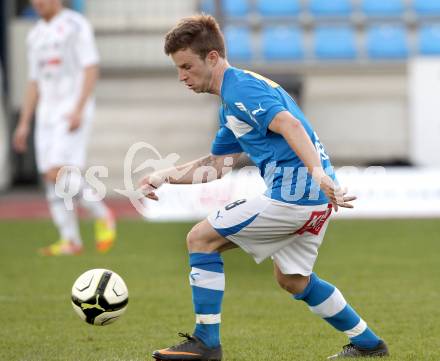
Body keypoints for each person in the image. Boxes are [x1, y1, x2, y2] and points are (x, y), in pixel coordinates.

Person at [142, 15, 389, 360]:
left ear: (212, 58)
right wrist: (165, 175)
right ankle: (368, 344)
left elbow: (288, 123)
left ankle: (206, 343)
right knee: (293, 279)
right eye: (177, 69)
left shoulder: (240, 88)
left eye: (186, 66)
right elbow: (218, 166)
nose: (182, 76)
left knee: (201, 238)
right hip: (313, 199)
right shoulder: (233, 102)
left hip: (296, 194)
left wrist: (317, 174)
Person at [13, 0, 115, 256]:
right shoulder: (35, 34)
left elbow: (90, 66)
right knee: (50, 176)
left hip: (70, 108)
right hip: (46, 112)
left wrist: (79, 108)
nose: (37, 3)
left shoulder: (75, 25)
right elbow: (33, 81)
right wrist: (24, 122)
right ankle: (70, 240)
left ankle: (102, 213)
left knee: (58, 173)